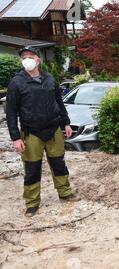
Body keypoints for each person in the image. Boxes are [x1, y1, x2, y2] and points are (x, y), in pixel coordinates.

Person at [6, 46, 79, 218]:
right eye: (23, 57)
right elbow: (10, 112)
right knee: (32, 169)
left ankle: (65, 192)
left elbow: (59, 103)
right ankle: (32, 203)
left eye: (30, 56)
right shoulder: (16, 82)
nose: (27, 59)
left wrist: (66, 123)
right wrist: (16, 137)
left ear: (38, 60)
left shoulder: (49, 79)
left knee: (59, 164)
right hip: (32, 134)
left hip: (53, 130)